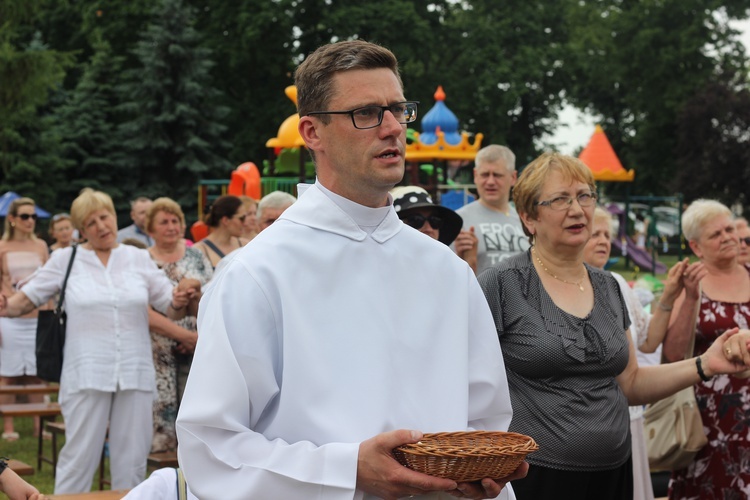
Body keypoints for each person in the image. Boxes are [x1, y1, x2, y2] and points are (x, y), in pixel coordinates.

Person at [176, 39, 525, 499]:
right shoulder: (257, 274)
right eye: (366, 113)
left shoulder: (447, 271)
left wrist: (483, 474)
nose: (391, 128)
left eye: (398, 110)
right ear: (312, 132)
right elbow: (212, 447)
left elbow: (484, 420)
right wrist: (347, 470)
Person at [476, 152, 750, 500]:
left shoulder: (608, 286)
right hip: (533, 476)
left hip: (615, 472)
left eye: (585, 196)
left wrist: (706, 364)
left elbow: (632, 383)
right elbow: (467, 382)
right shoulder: (501, 284)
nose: (577, 209)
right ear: (529, 217)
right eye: (560, 199)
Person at [0, 188, 199, 494]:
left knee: (132, 461)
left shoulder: (136, 258)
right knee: (79, 459)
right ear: (82, 229)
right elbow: (22, 302)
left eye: (104, 217)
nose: (101, 226)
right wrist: (6, 305)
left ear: (113, 216)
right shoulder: (66, 259)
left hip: (134, 372)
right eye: (91, 222)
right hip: (86, 373)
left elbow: (169, 307)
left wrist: (181, 295)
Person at [583, 206, 690, 500]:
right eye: (595, 235)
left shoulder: (617, 282)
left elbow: (648, 342)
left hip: (630, 416)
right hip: (593, 422)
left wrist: (669, 294)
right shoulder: (570, 287)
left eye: (607, 235)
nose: (604, 241)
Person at [661, 199, 750, 499]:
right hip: (707, 418)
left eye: (729, 229)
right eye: (716, 234)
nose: (727, 237)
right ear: (697, 247)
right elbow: (672, 355)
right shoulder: (691, 284)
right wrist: (689, 298)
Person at [145, 197, 213, 453]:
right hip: (158, 349)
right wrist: (183, 335)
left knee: (195, 409)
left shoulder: (196, 256)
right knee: (162, 414)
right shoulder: (142, 259)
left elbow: (211, 296)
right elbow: (146, 311)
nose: (171, 226)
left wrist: (195, 335)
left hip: (197, 346)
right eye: (164, 222)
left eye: (175, 221)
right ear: (150, 229)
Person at [0, 197, 50, 441]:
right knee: (8, 373)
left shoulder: (41, 245)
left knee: (36, 373)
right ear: (12, 219)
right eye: (24, 216)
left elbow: (50, 280)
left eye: (33, 216)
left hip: (37, 316)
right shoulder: (1, 247)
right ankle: (9, 427)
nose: (30, 221)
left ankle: (38, 426)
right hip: (9, 317)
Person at [455, 144, 528, 273]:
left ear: (513, 177)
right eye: (484, 175)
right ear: (475, 175)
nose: (490, 182)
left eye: (497, 175)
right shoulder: (458, 221)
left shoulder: (527, 220)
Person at [392, 185, 478, 272]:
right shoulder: (386, 269)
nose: (428, 228)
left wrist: (468, 261)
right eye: (415, 220)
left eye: (435, 220)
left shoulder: (447, 266)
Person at [192, 195, 249, 269]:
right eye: (242, 218)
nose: (245, 223)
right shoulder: (199, 251)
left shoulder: (246, 245)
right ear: (225, 220)